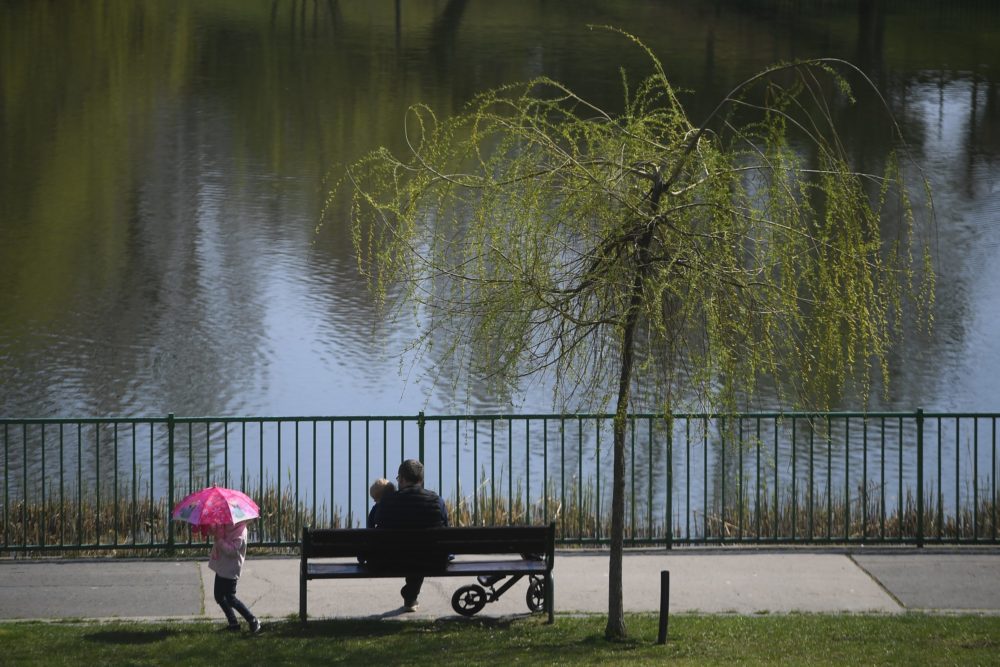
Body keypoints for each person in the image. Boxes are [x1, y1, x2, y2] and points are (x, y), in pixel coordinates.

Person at [370, 459, 449, 611]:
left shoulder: (386, 502)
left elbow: (373, 531)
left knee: (410, 551)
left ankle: (410, 597)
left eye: (399, 479)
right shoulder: (436, 501)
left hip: (389, 561)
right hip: (432, 561)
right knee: (419, 551)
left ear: (403, 479)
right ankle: (410, 597)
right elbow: (445, 529)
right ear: (421, 479)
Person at [209, 521, 262, 634]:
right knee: (218, 595)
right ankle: (233, 622)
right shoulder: (225, 524)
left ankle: (252, 620)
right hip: (221, 566)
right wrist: (211, 527)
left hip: (231, 569)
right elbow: (215, 530)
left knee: (230, 598)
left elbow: (232, 551)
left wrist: (219, 540)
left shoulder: (241, 531)